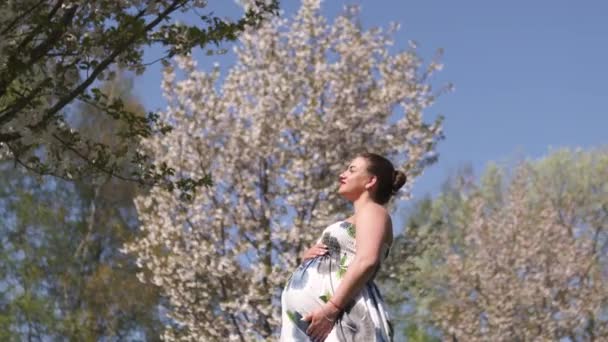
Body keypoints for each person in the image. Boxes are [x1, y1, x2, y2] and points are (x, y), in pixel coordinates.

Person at [280, 152, 407, 341]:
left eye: (352, 169)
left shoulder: (373, 211)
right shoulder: (356, 218)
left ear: (370, 181)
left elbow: (367, 260)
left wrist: (332, 309)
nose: (342, 174)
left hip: (342, 318)